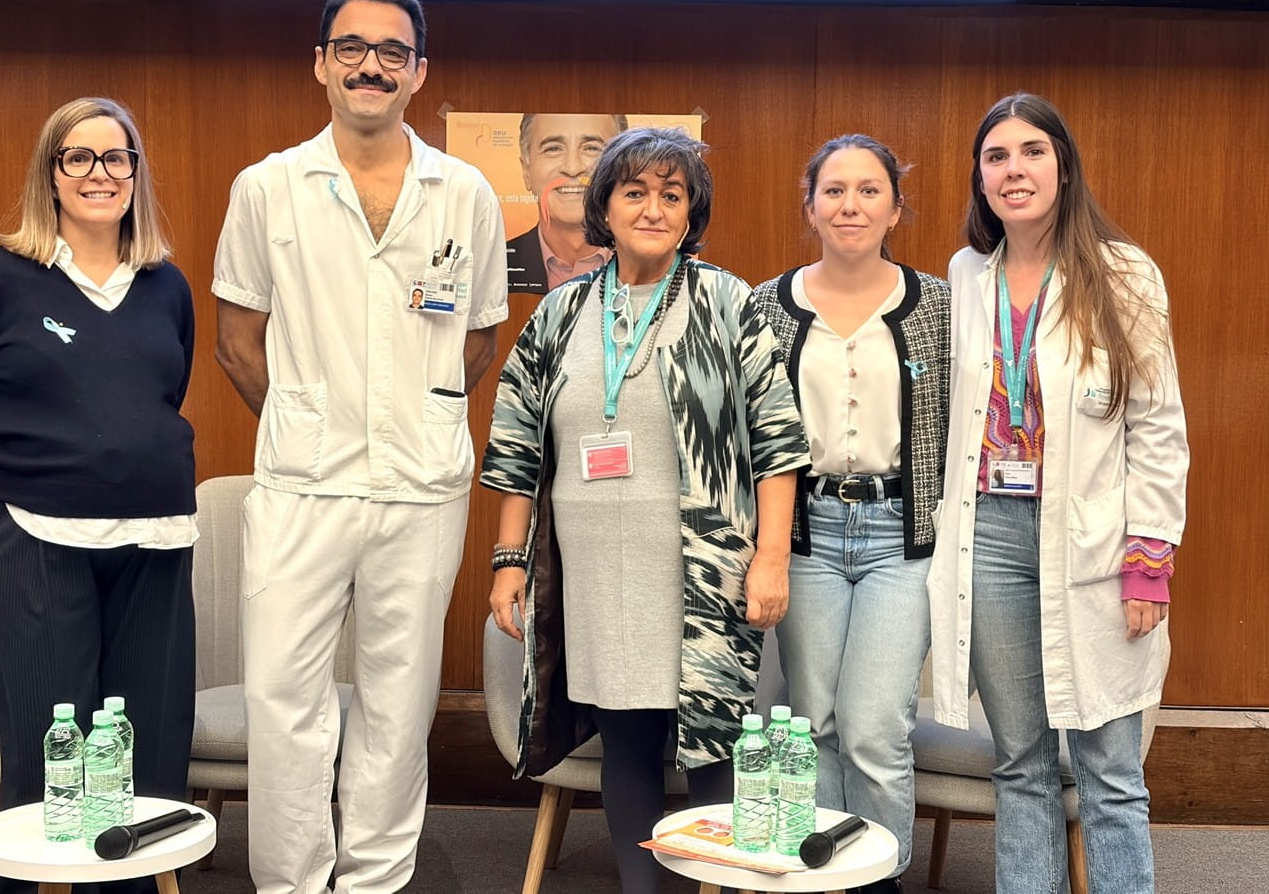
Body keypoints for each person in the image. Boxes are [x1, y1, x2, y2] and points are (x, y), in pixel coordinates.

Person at [211, 0, 507, 894]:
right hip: (302, 484)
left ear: (418, 72)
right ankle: (294, 882)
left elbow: (482, 336)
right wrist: (307, 420)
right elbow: (236, 339)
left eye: (391, 51)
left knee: (398, 702)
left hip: (421, 486)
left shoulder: (465, 192)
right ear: (320, 65)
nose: (370, 64)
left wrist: (413, 414)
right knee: (283, 700)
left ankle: (376, 879)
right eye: (350, 47)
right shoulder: (266, 187)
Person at [483, 126, 809, 894]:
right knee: (625, 734)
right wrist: (507, 559)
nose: (654, 208)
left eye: (672, 194)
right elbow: (515, 442)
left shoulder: (726, 299)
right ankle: (640, 885)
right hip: (596, 566)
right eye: (635, 192)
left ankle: (715, 882)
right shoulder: (561, 311)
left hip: (701, 563)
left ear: (692, 210)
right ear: (606, 205)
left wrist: (770, 555)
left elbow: (779, 439)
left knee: (711, 738)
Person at [0, 96, 196, 894]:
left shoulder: (165, 286)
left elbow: (161, 393)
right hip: (33, 539)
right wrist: (42, 464)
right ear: (50, 172)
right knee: (53, 760)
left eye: (117, 158)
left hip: (154, 542)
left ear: (135, 175)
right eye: (78, 157)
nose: (99, 173)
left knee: (145, 764)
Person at [928, 93, 1188, 894]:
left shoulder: (1123, 272)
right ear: (980, 177)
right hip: (993, 536)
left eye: (1032, 151)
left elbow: (1157, 423)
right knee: (1022, 762)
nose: (1015, 170)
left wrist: (1150, 560)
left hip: (1095, 543)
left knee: (1109, 769)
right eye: (997, 156)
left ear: (1064, 166)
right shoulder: (967, 274)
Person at [750, 134, 949, 894]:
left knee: (874, 726)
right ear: (810, 207)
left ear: (896, 207)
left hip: (902, 536)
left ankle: (878, 880)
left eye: (869, 190)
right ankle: (824, 878)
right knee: (815, 719)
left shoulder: (938, 304)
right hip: (808, 532)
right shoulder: (768, 305)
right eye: (834, 190)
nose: (851, 205)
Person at [506, 113, 627, 293]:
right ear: (526, 171)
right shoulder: (493, 265)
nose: (573, 168)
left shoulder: (655, 267)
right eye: (553, 149)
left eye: (592, 148)